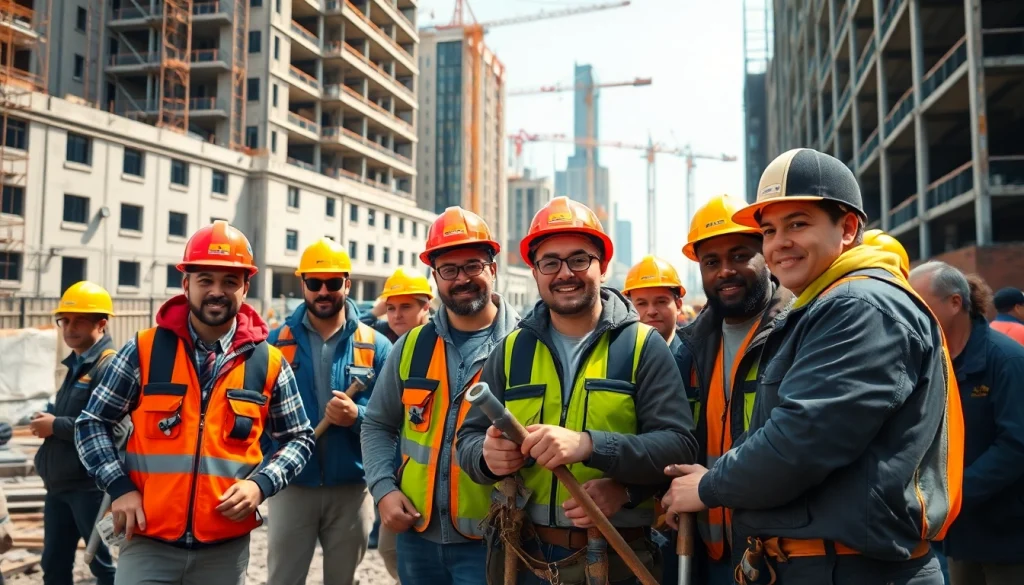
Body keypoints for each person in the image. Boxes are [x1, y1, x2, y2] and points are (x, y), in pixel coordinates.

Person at [660, 148, 963, 584]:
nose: (779, 242)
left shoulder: (860, 306)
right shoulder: (826, 305)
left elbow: (802, 439)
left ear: (848, 227)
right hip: (822, 563)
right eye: (769, 229)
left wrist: (708, 487)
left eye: (797, 224)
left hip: (853, 568)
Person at [457, 196, 698, 585]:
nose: (564, 273)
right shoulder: (512, 350)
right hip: (524, 557)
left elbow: (679, 447)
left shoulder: (641, 346)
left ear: (602, 268)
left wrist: (595, 452)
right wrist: (486, 457)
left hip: (618, 554)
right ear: (535, 273)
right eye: (550, 262)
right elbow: (467, 440)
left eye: (579, 259)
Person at [75, 220, 315, 585]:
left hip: (225, 549)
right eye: (206, 280)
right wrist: (119, 487)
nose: (217, 291)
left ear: (245, 287)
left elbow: (299, 438)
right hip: (147, 541)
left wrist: (261, 484)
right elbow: (92, 422)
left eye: (229, 282)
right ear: (186, 284)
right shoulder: (144, 349)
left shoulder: (267, 363)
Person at [361, 206, 520, 585]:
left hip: (494, 539)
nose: (462, 278)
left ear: (492, 269)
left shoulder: (524, 346)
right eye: (449, 269)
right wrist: (383, 489)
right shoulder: (412, 346)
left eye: (473, 266)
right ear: (435, 277)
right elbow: (377, 425)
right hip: (417, 538)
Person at [657, 193, 794, 585]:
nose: (725, 271)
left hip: (775, 553)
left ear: (766, 255)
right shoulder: (689, 347)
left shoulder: (796, 330)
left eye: (739, 256)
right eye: (711, 262)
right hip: (705, 549)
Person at [262, 238, 391, 585]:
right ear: (302, 283)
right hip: (292, 487)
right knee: (282, 579)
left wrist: (356, 418)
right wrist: (268, 465)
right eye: (314, 283)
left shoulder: (377, 347)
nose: (323, 291)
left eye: (333, 283)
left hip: (351, 489)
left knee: (342, 580)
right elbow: (258, 416)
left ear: (347, 284)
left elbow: (394, 421)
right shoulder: (274, 345)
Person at [910, 263, 1024, 585]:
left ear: (955, 303)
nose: (910, 313)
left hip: (1008, 535)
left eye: (919, 304)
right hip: (959, 535)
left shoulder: (1007, 360)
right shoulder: (932, 363)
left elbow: (1016, 445)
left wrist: (954, 493)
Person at [34, 282, 125, 585]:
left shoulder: (108, 365)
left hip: (90, 488)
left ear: (101, 323)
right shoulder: (77, 364)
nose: (69, 328)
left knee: (101, 564)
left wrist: (54, 425)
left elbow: (113, 428)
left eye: (79, 320)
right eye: (65, 320)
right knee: (54, 564)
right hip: (60, 485)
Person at [369, 267, 435, 582]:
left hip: (428, 480)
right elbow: (361, 324)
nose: (396, 315)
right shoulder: (386, 341)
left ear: (427, 307)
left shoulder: (437, 347)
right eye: (391, 308)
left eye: (406, 306)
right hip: (394, 475)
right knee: (389, 550)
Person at [621, 255, 686, 349]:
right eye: (642, 303)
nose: (651, 312)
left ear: (678, 305)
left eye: (661, 302)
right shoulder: (620, 355)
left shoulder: (697, 356)